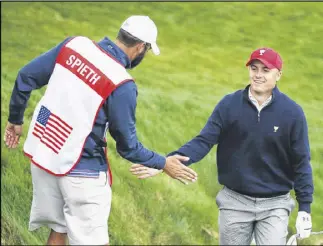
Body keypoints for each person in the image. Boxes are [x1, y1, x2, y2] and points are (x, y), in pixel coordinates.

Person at [3, 15, 198, 245]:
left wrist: (15, 120)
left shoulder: (73, 45)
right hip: (82, 173)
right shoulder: (122, 83)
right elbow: (127, 146)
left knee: (58, 231)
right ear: (140, 48)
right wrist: (164, 163)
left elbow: (26, 76)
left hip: (44, 157)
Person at [130, 47, 314, 245]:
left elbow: (301, 162)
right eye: (254, 68)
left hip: (275, 204)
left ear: (278, 75)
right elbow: (203, 141)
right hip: (235, 201)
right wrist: (164, 162)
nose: (258, 75)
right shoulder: (229, 105)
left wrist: (305, 208)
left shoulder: (292, 113)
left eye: (265, 70)